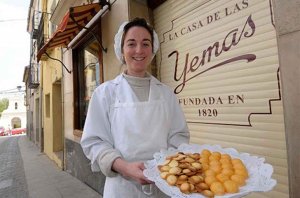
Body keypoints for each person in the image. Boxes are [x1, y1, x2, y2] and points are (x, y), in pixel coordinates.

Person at [80, 17, 190, 198]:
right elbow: (95, 142)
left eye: (146, 44)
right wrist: (125, 167)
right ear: (121, 50)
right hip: (121, 188)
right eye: (131, 44)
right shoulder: (104, 94)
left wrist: (167, 167)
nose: (139, 50)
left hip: (164, 186)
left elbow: (179, 136)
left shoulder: (167, 94)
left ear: (152, 50)